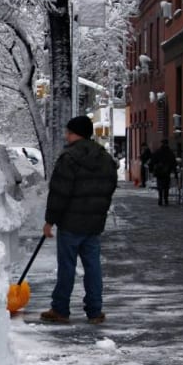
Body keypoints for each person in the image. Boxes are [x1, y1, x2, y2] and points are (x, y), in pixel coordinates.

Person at [40, 115, 118, 325]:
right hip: (93, 224)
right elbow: (110, 185)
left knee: (67, 266)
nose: (66, 135)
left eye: (68, 132)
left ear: (75, 133)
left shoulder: (69, 158)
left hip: (70, 223)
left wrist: (50, 221)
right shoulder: (104, 158)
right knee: (93, 267)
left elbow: (59, 192)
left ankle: (60, 309)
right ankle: (94, 311)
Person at [150, 139, 178, 206]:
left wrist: (152, 170)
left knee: (160, 186)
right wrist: (175, 172)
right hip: (166, 172)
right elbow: (173, 163)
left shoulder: (158, 152)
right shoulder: (170, 153)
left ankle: (160, 199)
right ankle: (165, 199)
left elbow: (152, 161)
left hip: (159, 172)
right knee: (166, 187)